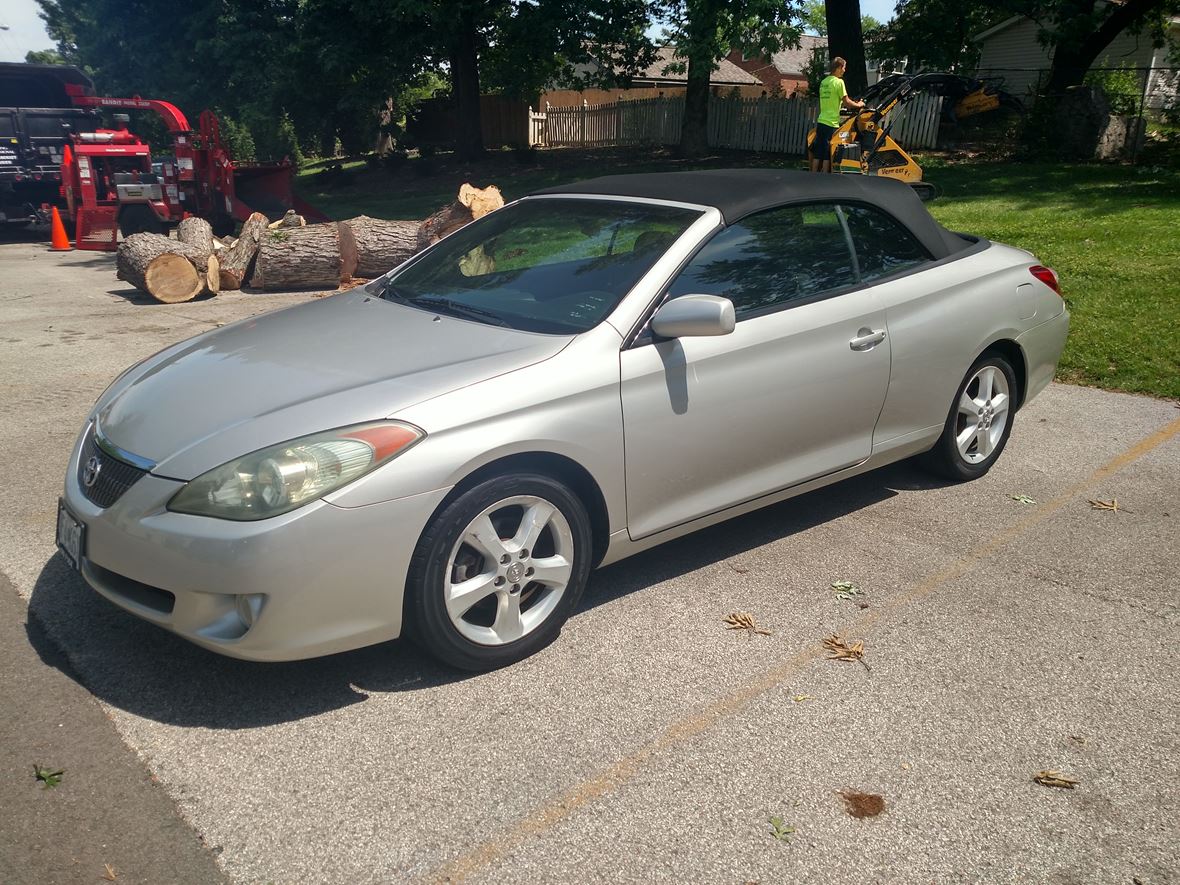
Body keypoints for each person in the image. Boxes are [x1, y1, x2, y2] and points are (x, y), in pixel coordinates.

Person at [810, 57, 865, 173]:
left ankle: (813, 175)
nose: (845, 70)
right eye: (844, 67)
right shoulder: (839, 82)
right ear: (839, 67)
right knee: (827, 153)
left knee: (818, 152)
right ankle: (825, 178)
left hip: (821, 121)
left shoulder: (824, 82)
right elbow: (847, 102)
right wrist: (859, 104)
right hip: (832, 123)